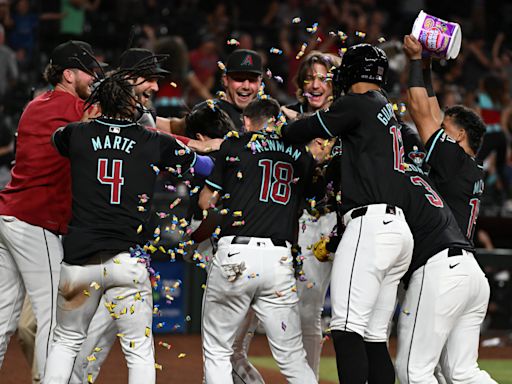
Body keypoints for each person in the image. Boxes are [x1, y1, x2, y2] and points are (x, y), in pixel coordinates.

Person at [44, 63, 214, 384]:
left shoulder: (76, 134)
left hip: (80, 260)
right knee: (138, 351)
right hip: (128, 259)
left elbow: (57, 139)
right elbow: (204, 165)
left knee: (66, 342)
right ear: (130, 104)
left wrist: (90, 121)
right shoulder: (151, 140)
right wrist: (208, 148)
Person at [279, 43, 415, 384]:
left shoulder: (357, 103)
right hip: (398, 230)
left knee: (344, 328)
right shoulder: (385, 108)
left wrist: (289, 124)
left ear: (351, 73)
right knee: (372, 336)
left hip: (369, 226)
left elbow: (298, 132)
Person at [198, 98, 323, 384]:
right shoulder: (299, 154)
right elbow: (313, 196)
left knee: (218, 351)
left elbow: (207, 201)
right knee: (292, 358)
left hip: (237, 255)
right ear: (277, 121)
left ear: (246, 121)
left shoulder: (235, 145)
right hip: (278, 259)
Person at [394, 34, 496, 384]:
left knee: (412, 372)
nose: (438, 130)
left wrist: (412, 60)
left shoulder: (452, 158)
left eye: (446, 129)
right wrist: (427, 66)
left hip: (441, 269)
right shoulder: (467, 165)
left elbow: (420, 110)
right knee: (461, 372)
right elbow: (433, 113)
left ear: (460, 137)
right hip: (469, 274)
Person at [0, 40, 101, 381]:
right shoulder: (71, 108)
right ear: (68, 74)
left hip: (9, 216)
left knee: (2, 319)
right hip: (35, 222)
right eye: (88, 71)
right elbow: (131, 132)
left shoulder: (35, 104)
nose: (94, 77)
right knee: (55, 319)